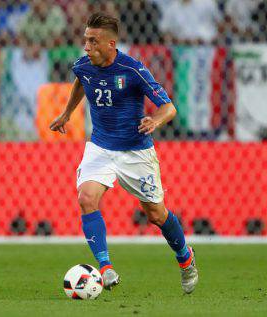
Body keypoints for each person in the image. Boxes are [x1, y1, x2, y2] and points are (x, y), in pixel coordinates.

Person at [49, 13, 198, 294]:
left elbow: (169, 107)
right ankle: (105, 268)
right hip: (101, 147)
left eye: (93, 41)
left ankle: (186, 258)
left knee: (155, 214)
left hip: (135, 151)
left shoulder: (133, 70)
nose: (86, 47)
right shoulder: (83, 65)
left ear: (111, 44)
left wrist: (155, 120)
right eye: (85, 40)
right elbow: (81, 81)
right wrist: (67, 112)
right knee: (86, 197)